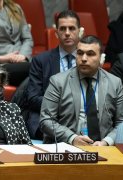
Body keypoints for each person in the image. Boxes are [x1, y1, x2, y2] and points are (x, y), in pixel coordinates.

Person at [40, 35, 123, 146]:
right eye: (80, 53)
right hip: (67, 147)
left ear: (101, 57)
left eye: (90, 54)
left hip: (103, 149)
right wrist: (72, 138)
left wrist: (107, 142)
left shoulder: (114, 83)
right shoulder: (58, 81)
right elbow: (46, 120)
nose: (84, 58)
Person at [26, 10, 81, 139]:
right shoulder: (41, 61)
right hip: (49, 120)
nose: (67, 33)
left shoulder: (86, 59)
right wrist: (65, 105)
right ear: (56, 32)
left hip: (80, 119)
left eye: (72, 28)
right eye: (62, 29)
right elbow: (33, 98)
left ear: (80, 31)